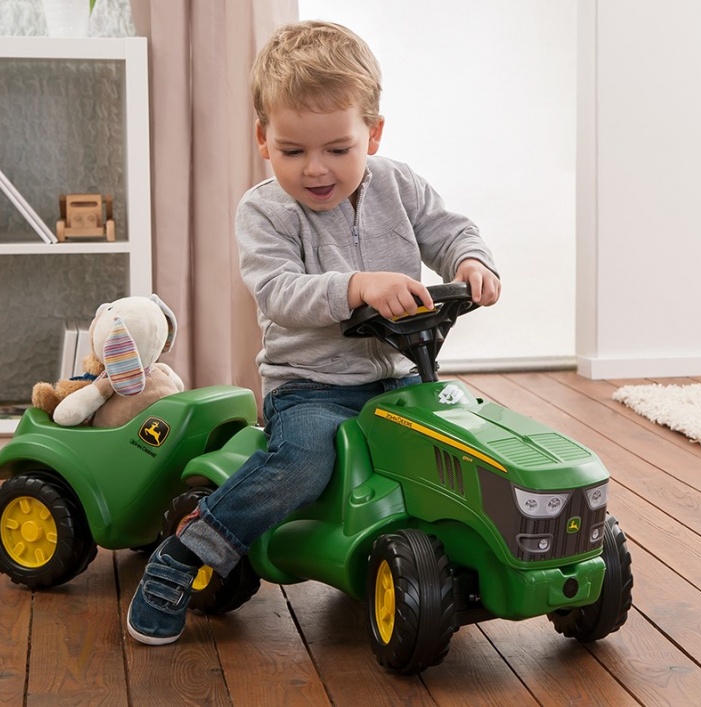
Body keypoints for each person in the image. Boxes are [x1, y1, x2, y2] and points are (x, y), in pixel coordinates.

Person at [127, 19, 501, 645]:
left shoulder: (400, 185)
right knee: (305, 460)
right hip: (311, 388)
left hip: (402, 378)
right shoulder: (264, 210)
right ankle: (186, 554)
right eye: (294, 151)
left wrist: (471, 261)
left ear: (372, 134)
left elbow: (450, 230)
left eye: (337, 149)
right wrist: (357, 286)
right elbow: (278, 291)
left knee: (465, 439)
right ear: (263, 139)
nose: (316, 169)